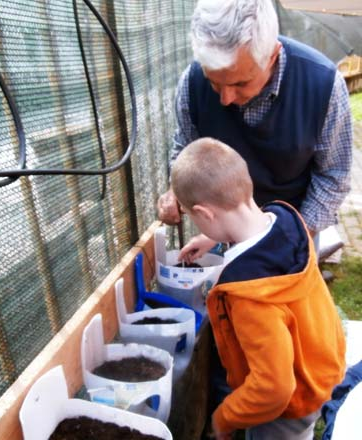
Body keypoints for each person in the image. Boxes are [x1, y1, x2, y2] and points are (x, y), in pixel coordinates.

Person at [171, 137, 346, 440]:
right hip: (319, 366)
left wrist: (225, 416)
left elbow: (273, 389)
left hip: (288, 406)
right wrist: (215, 237)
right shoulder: (286, 223)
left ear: (206, 214)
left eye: (192, 215)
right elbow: (241, 222)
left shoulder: (250, 296)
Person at [158, 0, 352, 258]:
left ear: (272, 55)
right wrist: (177, 189)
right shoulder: (192, 83)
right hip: (227, 226)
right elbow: (186, 147)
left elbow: (333, 176)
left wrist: (288, 239)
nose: (225, 99)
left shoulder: (323, 86)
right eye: (215, 83)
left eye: (240, 83)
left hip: (296, 226)